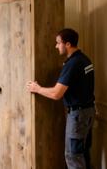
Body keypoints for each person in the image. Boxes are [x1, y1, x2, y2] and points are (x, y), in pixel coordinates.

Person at [27, 28, 95, 169]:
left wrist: (37, 88)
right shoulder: (85, 59)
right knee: (83, 153)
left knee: (73, 156)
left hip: (78, 116)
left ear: (68, 44)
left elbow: (57, 94)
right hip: (88, 112)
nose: (56, 46)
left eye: (58, 43)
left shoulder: (72, 64)